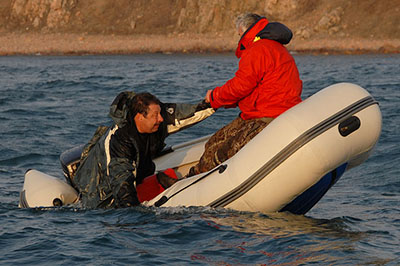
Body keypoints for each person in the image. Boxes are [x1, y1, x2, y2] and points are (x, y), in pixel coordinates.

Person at [187, 13, 303, 177]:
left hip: (268, 115)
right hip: (266, 111)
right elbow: (253, 88)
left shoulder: (258, 49)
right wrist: (224, 100)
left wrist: (214, 97)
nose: (238, 39)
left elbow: (241, 86)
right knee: (214, 141)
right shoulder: (273, 47)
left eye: (239, 35)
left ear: (244, 32)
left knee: (219, 152)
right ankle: (194, 177)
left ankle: (193, 181)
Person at [71, 91, 214, 208]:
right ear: (140, 117)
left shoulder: (156, 119)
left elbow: (187, 114)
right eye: (155, 116)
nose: (161, 119)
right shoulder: (121, 140)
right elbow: (121, 183)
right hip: (104, 197)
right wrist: (136, 215)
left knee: (167, 176)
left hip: (139, 175)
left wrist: (215, 101)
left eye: (160, 113)